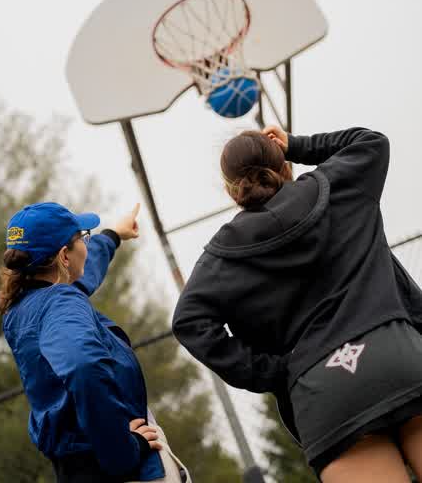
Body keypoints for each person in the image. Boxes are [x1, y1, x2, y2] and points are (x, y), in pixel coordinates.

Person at [172, 126, 422, 482]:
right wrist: (296, 144)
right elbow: (371, 142)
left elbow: (187, 322)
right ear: (284, 165)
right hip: (398, 356)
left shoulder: (221, 257)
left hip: (324, 395)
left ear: (231, 191)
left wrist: (274, 372)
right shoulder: (338, 185)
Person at [0, 201, 190, 483]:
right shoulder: (61, 303)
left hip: (77, 467)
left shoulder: (23, 307)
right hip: (120, 469)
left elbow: (81, 275)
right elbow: (84, 367)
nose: (86, 245)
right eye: (83, 238)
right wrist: (124, 449)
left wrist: (113, 235)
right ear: (64, 256)